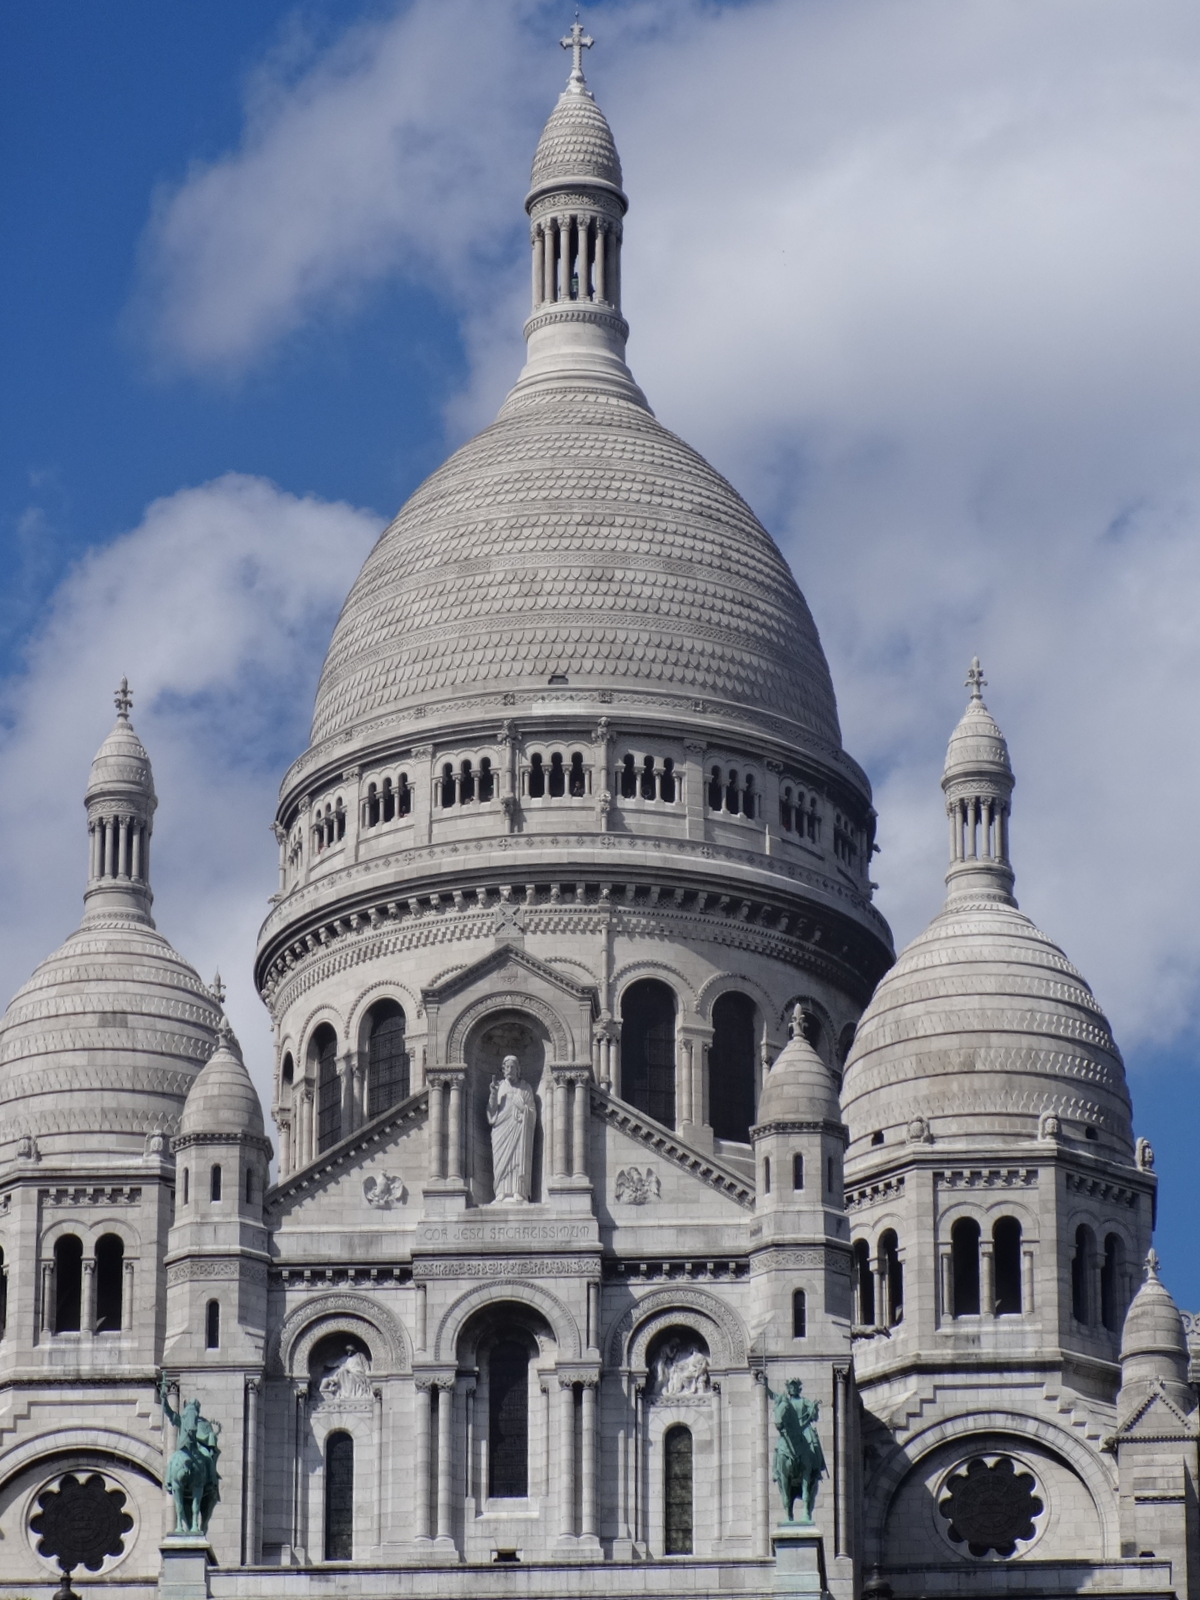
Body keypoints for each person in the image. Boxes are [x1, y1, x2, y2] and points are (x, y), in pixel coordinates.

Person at [766, 1377, 826, 1522]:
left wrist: (814, 1409)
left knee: (814, 1444)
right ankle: (776, 1471)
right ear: (788, 1388)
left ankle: (817, 1468)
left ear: (798, 1388)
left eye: (795, 1386)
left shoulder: (804, 1401)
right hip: (789, 1432)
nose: (792, 1389)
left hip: (804, 1430)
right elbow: (772, 1395)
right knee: (778, 1448)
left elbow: (814, 1416)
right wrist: (764, 1383)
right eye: (790, 1387)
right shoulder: (784, 1400)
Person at [487, 1055, 536, 1202]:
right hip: (501, 1129)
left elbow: (532, 1112)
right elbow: (491, 1111)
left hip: (519, 1129)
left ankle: (518, 1190)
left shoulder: (525, 1087)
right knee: (501, 1160)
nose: (509, 1070)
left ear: (518, 1069)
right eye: (506, 1067)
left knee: (517, 1159)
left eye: (512, 1067)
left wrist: (523, 1108)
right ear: (503, 1069)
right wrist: (493, 1094)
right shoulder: (499, 1086)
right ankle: (501, 1190)